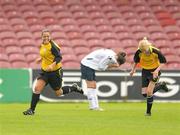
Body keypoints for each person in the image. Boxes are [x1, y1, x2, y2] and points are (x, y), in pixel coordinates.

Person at [23, 29, 83, 115]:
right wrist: (41, 59)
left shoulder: (53, 46)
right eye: (44, 36)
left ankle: (74, 88)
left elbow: (59, 57)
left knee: (59, 92)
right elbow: (46, 55)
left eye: (48, 36)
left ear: (50, 37)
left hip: (55, 72)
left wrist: (52, 65)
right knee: (37, 88)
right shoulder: (42, 45)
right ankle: (31, 110)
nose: (46, 38)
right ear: (41, 37)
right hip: (45, 71)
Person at [130, 37, 169, 116]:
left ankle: (148, 112)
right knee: (144, 94)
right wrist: (133, 70)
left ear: (149, 47)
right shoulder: (139, 52)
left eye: (146, 50)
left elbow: (163, 62)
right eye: (143, 51)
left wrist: (157, 71)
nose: (145, 52)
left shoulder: (156, 51)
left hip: (154, 71)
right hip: (145, 71)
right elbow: (136, 61)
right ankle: (161, 85)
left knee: (149, 92)